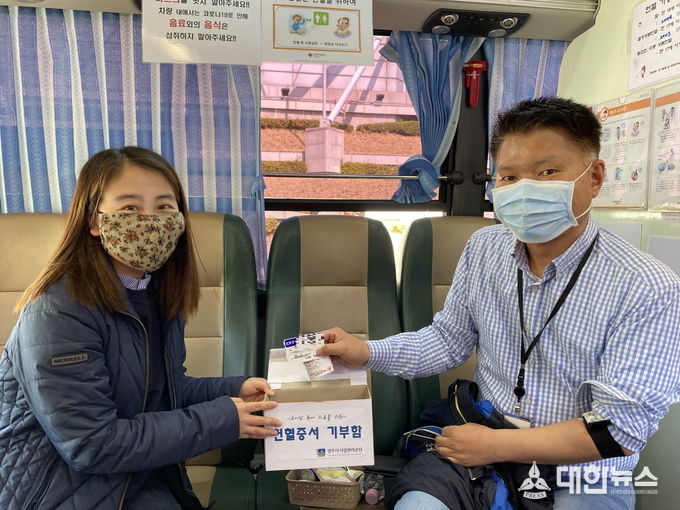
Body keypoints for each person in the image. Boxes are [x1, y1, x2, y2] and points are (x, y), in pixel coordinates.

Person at [319, 97, 680, 509]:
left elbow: (616, 432)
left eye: (547, 172)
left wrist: (496, 445)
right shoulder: (485, 247)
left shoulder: (647, 287)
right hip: (482, 447)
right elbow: (448, 340)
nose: (524, 189)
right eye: (509, 176)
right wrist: (365, 352)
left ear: (594, 177)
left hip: (579, 471)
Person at [0, 147, 281, 509]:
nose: (150, 221)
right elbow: (92, 445)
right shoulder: (58, 310)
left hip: (135, 474)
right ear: (94, 221)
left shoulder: (156, 291)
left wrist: (235, 389)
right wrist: (221, 420)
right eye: (130, 208)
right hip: (62, 489)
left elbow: (161, 391)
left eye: (164, 207)